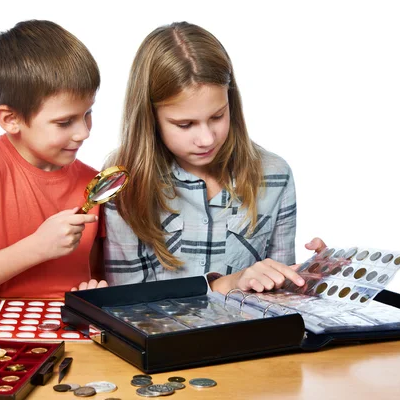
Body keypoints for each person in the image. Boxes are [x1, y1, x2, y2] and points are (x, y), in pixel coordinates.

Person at [104, 22, 326, 295]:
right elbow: (124, 301)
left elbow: (279, 298)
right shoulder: (125, 179)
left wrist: (312, 276)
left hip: (249, 336)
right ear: (150, 119)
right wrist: (224, 285)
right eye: (185, 125)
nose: (207, 139)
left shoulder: (275, 175)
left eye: (217, 116)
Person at [0, 20, 108, 299]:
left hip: (68, 328)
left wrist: (96, 289)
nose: (84, 132)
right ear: (11, 119)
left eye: (87, 113)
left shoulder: (93, 184)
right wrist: (38, 247)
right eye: (65, 122)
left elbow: (96, 273)